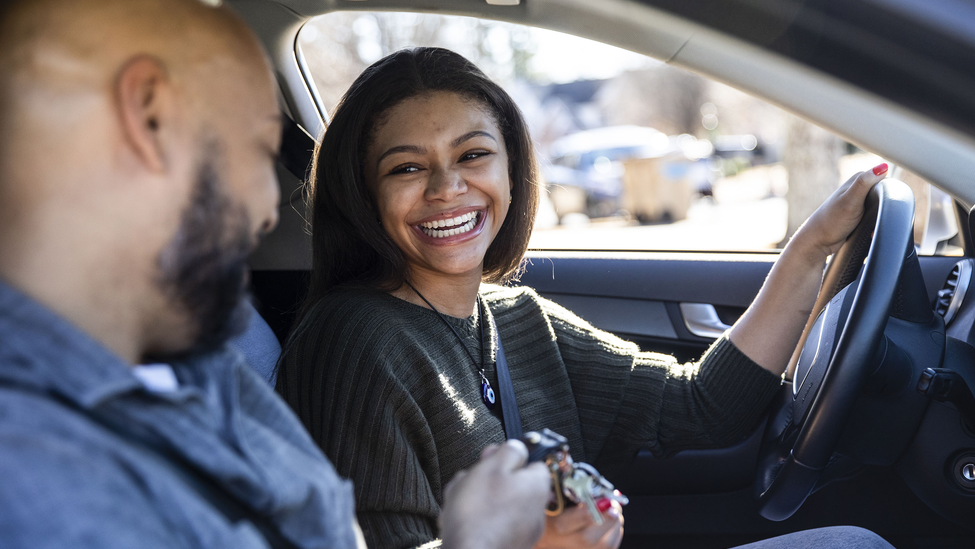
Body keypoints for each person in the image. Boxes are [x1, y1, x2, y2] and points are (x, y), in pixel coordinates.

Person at [276, 47, 897, 549]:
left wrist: (813, 246)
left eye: (473, 155)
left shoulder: (518, 321)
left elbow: (701, 405)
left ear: (511, 173)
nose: (448, 187)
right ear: (363, 195)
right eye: (406, 168)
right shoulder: (353, 343)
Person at [0, 2, 553, 548]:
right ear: (150, 116)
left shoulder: (204, 356)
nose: (270, 210)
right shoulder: (32, 475)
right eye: (262, 148)